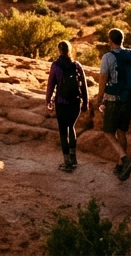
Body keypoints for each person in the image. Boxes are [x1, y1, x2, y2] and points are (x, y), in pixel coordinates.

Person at [98, 28, 131, 181]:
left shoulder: (108, 57)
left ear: (110, 40)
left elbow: (103, 80)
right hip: (129, 100)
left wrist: (98, 100)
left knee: (108, 132)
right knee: (122, 131)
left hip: (114, 101)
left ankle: (125, 160)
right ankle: (120, 166)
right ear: (122, 40)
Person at [45, 40, 89, 172]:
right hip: (75, 102)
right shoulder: (77, 65)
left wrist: (48, 100)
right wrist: (85, 102)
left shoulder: (55, 66)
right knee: (72, 127)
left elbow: (51, 84)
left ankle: (67, 163)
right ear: (70, 50)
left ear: (59, 50)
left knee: (63, 132)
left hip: (61, 102)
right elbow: (84, 85)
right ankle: (74, 159)